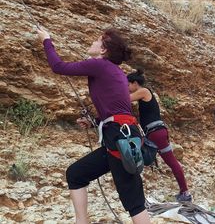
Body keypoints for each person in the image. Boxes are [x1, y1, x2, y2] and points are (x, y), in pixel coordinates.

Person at [37, 28, 151, 224]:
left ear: (103, 50)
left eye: (97, 41)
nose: (92, 42)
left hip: (119, 138)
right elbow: (118, 111)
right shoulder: (116, 73)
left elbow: (58, 66)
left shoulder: (99, 66)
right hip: (119, 135)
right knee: (76, 174)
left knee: (133, 200)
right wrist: (94, 122)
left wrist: (46, 40)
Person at [127, 70, 192, 202]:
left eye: (128, 84)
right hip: (157, 133)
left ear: (135, 83)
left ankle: (185, 192)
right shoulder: (144, 95)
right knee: (170, 162)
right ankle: (184, 192)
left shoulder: (144, 91)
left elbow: (125, 99)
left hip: (155, 133)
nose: (127, 88)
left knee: (139, 159)